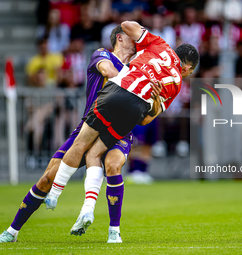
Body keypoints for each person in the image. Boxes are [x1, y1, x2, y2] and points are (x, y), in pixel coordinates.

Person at [44, 21, 199, 243]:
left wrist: (139, 51)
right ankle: (107, 226)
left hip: (116, 92)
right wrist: (152, 95)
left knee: (82, 145)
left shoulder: (159, 44)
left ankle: (56, 195)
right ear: (187, 68)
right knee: (97, 155)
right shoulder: (176, 84)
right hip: (135, 110)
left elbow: (127, 24)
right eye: (190, 72)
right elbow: (146, 119)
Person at [0, 25, 156, 243]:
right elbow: (108, 72)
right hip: (88, 127)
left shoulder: (140, 68)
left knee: (113, 166)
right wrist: (140, 85)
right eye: (134, 35)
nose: (139, 38)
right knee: (46, 179)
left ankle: (114, 231)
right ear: (120, 38)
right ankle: (12, 231)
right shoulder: (102, 55)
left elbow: (145, 115)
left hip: (120, 131)